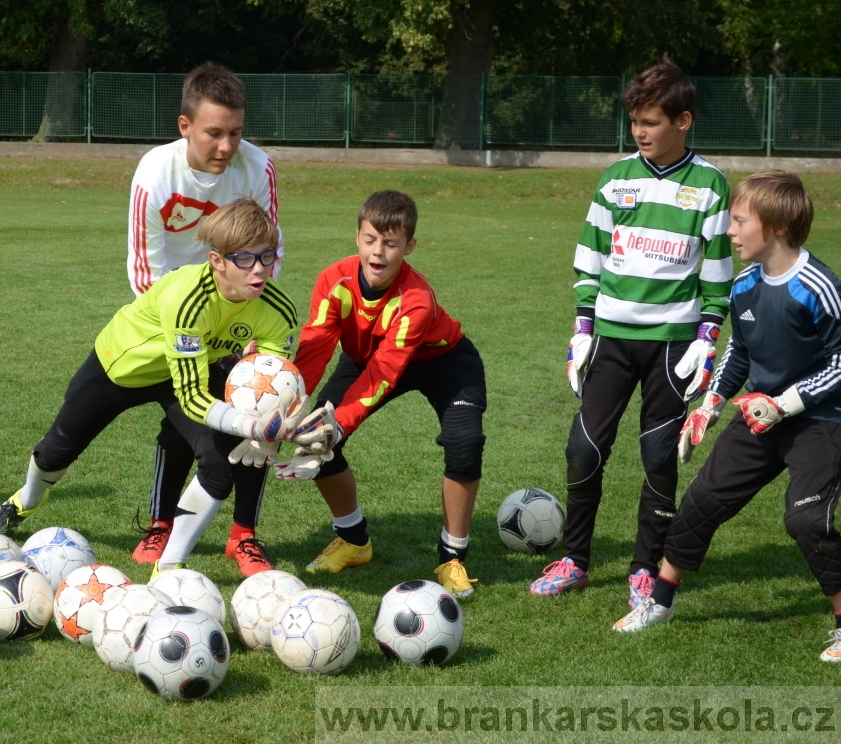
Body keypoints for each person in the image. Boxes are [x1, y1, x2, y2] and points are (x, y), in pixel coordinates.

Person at [0, 199, 305, 576]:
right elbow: (194, 398)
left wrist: (280, 426)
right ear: (217, 261)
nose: (261, 269)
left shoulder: (278, 308)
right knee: (55, 451)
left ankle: (169, 568)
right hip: (121, 368)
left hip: (186, 373)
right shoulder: (188, 298)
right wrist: (249, 426)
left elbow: (277, 381)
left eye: (267, 256)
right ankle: (26, 500)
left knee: (220, 461)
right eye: (246, 259)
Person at [612, 171, 841, 662]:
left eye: (739, 221)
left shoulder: (817, 286)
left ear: (776, 225)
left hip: (822, 422)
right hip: (760, 416)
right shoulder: (744, 285)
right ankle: (661, 601)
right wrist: (710, 407)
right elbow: (740, 347)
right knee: (701, 500)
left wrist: (787, 402)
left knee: (805, 519)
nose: (730, 231)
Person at [532, 56, 733, 607]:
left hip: (673, 345)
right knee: (583, 449)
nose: (640, 132)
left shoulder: (711, 186)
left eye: (651, 122)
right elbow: (590, 260)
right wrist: (581, 329)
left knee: (659, 456)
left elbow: (718, 275)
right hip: (611, 340)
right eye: (635, 122)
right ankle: (574, 559)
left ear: (683, 121)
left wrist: (706, 339)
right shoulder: (615, 180)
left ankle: (645, 567)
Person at [284, 190, 487, 597]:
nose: (379, 252)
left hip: (443, 361)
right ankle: (355, 541)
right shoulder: (333, 279)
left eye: (391, 244)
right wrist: (288, 408)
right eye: (370, 240)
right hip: (366, 360)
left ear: (409, 246)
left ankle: (452, 558)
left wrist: (336, 425)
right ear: (357, 237)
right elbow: (316, 347)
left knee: (464, 442)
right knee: (313, 438)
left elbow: (384, 373)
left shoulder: (416, 300)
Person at [125, 63, 283, 575]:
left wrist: (246, 324)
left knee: (260, 404)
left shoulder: (257, 168)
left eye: (235, 132)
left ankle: (244, 536)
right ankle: (161, 524)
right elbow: (146, 272)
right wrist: (194, 331)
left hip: (238, 307)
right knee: (183, 423)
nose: (226, 145)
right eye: (215, 133)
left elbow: (269, 250)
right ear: (185, 125)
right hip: (175, 313)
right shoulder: (154, 173)